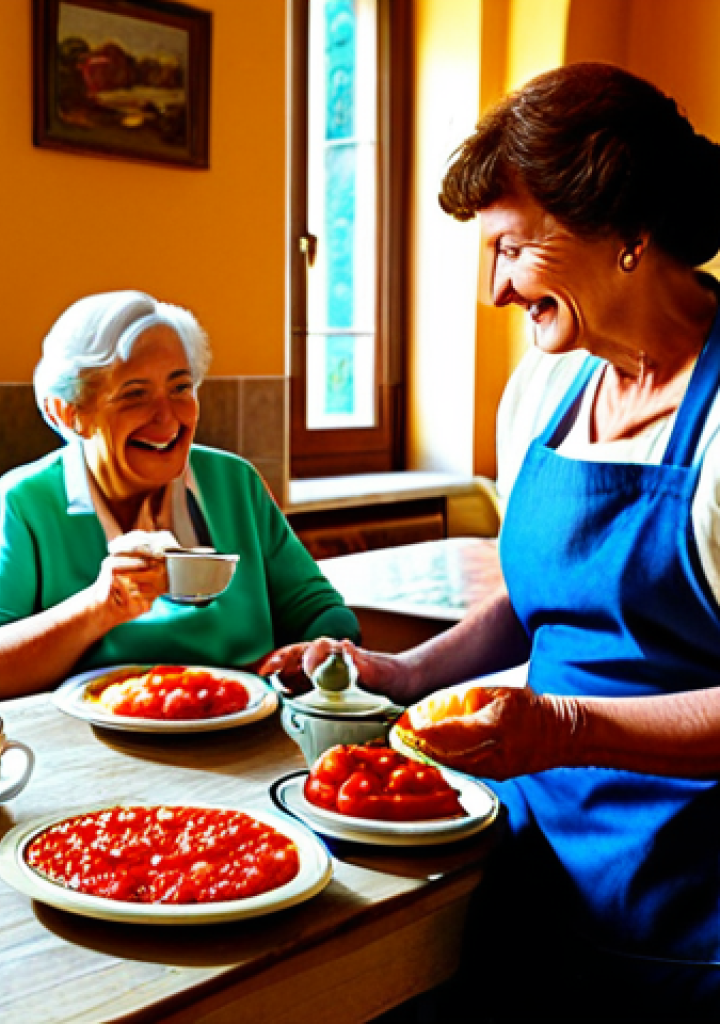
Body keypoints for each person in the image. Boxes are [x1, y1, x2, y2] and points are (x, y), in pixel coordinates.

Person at [294, 64, 720, 1022]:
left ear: (630, 236)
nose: (494, 291)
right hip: (524, 866)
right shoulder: (542, 390)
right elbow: (544, 597)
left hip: (689, 920)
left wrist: (561, 727)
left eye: (513, 250)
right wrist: (402, 673)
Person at [0, 290, 359, 703]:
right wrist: (99, 607)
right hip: (89, 758)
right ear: (67, 413)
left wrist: (320, 649)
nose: (166, 417)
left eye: (180, 388)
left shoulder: (234, 483)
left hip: (248, 739)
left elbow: (322, 610)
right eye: (134, 394)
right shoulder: (21, 505)